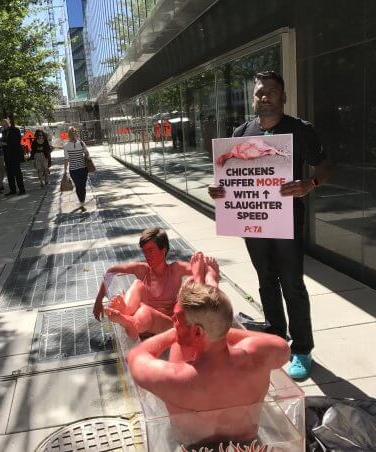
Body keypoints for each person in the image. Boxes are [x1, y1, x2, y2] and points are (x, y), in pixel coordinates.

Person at [208, 71, 331, 380]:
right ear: (253, 98)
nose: (265, 97)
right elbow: (230, 178)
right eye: (259, 93)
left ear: (283, 97)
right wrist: (219, 191)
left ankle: (302, 348)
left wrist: (309, 183)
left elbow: (325, 165)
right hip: (254, 220)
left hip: (287, 218)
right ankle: (277, 334)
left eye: (271, 92)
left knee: (292, 283)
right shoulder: (240, 133)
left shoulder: (300, 130)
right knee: (265, 279)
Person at [127, 258, 290, 448]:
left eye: (177, 318)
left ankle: (204, 287)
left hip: (192, 447)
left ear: (197, 331)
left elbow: (135, 357)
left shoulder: (179, 378)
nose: (173, 319)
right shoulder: (258, 357)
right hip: (247, 446)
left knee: (184, 348)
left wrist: (173, 334)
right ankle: (207, 288)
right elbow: (281, 346)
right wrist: (218, 327)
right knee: (199, 336)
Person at [94, 228, 216, 339]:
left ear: (163, 250)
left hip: (166, 326)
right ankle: (125, 312)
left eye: (150, 250)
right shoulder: (142, 270)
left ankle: (127, 319)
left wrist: (208, 269)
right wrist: (98, 301)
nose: (147, 256)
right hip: (143, 325)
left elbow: (203, 270)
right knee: (138, 285)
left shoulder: (175, 270)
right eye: (144, 251)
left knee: (189, 284)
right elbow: (110, 272)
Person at [63, 127, 89, 208]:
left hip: (83, 168)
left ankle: (82, 201)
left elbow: (87, 153)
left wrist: (86, 152)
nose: (75, 133)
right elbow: (66, 159)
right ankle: (81, 201)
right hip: (73, 170)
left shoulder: (81, 143)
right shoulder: (66, 145)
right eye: (73, 132)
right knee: (78, 186)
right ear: (70, 134)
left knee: (83, 186)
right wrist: (65, 171)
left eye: (76, 132)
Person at [0, 119, 25, 195]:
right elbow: (3, 140)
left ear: (8, 123)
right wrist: (1, 144)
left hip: (15, 154)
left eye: (5, 125)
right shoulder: (4, 132)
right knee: (9, 173)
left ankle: (21, 189)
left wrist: (6, 144)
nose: (3, 127)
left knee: (17, 173)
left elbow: (17, 141)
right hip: (7, 155)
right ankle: (12, 190)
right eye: (3, 125)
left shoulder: (15, 130)